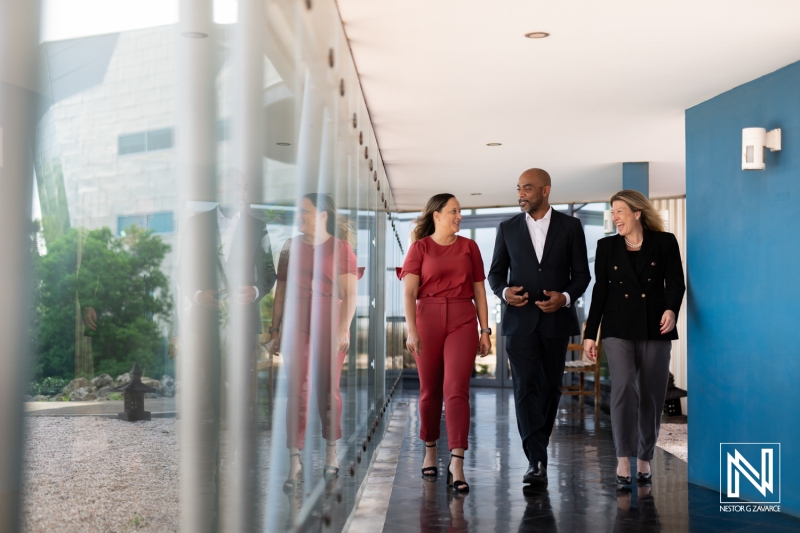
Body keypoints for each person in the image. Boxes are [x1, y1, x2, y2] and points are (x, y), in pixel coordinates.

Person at [487, 168, 590, 485]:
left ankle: (538, 448)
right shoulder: (507, 228)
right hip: (519, 323)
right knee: (525, 386)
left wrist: (566, 297)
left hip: (557, 321)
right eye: (519, 188)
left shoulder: (571, 227)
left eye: (527, 188)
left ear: (545, 190)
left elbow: (582, 275)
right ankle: (536, 459)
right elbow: (495, 275)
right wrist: (505, 293)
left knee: (550, 388)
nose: (521, 193)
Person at [583, 190, 685, 485]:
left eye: (619, 211)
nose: (614, 217)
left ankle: (644, 457)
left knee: (651, 394)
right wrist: (591, 334)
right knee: (624, 386)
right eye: (612, 212)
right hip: (618, 327)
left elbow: (675, 282)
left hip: (656, 325)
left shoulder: (665, 242)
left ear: (637, 213)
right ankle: (623, 459)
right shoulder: (606, 247)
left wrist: (671, 309)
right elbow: (600, 291)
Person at [400, 193, 491, 493]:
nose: (459, 216)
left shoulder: (469, 247)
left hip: (463, 320)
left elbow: (479, 291)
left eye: (460, 211)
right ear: (436, 215)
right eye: (453, 211)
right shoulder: (420, 248)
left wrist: (485, 330)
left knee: (456, 390)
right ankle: (429, 448)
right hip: (427, 320)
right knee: (429, 391)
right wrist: (411, 330)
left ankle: (457, 462)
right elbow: (409, 293)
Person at [269, 193, 358, 492]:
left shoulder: (341, 248)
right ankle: (295, 459)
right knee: (298, 387)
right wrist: (274, 328)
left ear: (322, 215)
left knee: (327, 389)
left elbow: (350, 294)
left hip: (329, 319)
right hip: (296, 319)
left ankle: (331, 450)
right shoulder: (289, 247)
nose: (299, 217)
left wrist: (343, 329)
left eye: (305, 212)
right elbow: (280, 290)